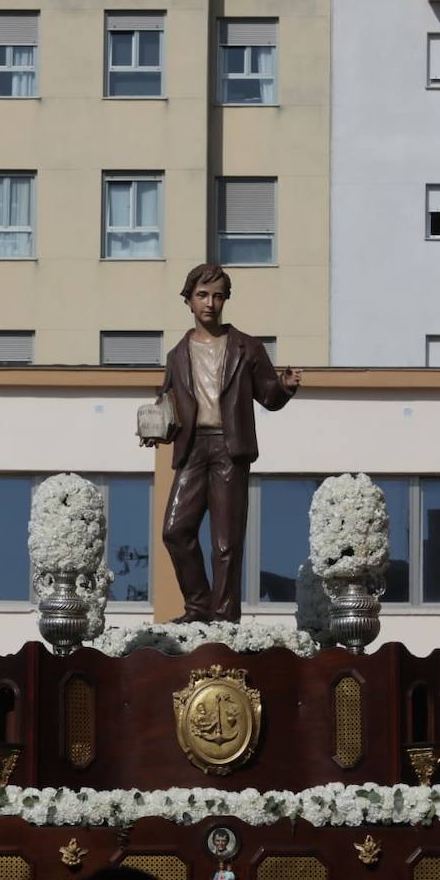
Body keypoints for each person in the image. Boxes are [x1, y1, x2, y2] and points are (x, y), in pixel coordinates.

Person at [142, 264, 301, 621]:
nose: (210, 303)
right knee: (175, 530)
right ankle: (198, 606)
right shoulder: (177, 355)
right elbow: (169, 404)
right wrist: (155, 429)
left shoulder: (247, 347)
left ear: (225, 299)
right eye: (202, 295)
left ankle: (225, 616)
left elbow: (268, 397)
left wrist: (286, 385)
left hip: (230, 449)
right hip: (192, 448)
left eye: (217, 296)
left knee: (226, 542)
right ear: (188, 300)